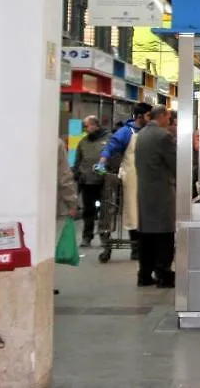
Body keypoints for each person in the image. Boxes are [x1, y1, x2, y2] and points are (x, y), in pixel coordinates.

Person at [97, 103, 150, 262]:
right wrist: (102, 162)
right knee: (133, 211)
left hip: (150, 178)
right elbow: (110, 147)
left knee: (147, 213)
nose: (150, 118)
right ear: (140, 116)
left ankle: (144, 246)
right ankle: (135, 248)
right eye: (148, 115)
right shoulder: (126, 132)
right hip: (132, 177)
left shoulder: (150, 131)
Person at [133, 105, 177, 288]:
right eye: (168, 117)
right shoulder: (163, 136)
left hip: (144, 192)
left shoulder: (141, 134)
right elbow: (176, 163)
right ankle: (163, 273)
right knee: (164, 235)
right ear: (164, 116)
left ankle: (144, 274)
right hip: (162, 193)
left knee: (146, 236)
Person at [72, 116, 109, 247]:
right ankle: (87, 236)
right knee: (88, 211)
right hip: (87, 182)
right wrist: (77, 174)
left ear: (95, 125)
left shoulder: (108, 140)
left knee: (105, 211)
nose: (85, 129)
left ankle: (105, 236)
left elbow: (114, 158)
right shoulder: (83, 143)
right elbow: (77, 161)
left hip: (104, 182)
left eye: (86, 126)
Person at [55, 136, 78, 296]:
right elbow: (64, 177)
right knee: (46, 243)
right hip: (48, 203)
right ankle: (46, 282)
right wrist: (71, 202)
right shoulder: (56, 143)